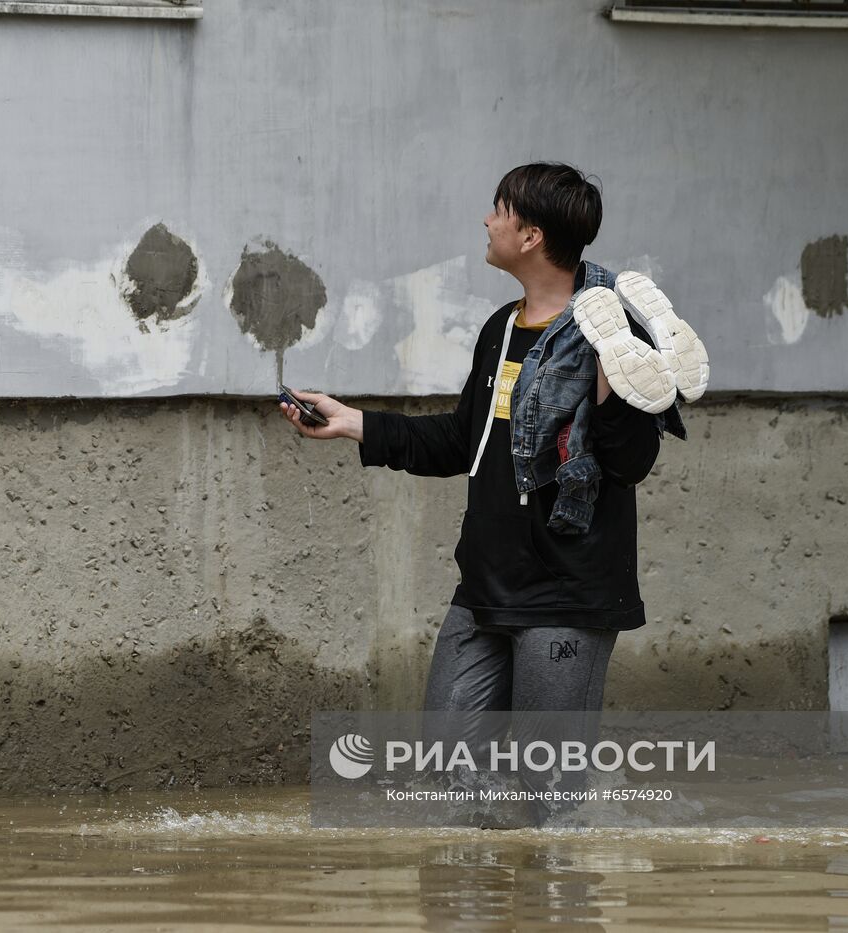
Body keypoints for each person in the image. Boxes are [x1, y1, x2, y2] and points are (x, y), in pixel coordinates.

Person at [280, 162, 705, 824]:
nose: (487, 218)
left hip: (567, 597)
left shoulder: (608, 343)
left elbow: (630, 461)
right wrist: (352, 423)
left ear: (530, 234)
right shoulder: (501, 329)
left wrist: (610, 389)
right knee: (448, 784)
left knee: (553, 808)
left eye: (499, 209)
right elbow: (462, 442)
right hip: (484, 590)